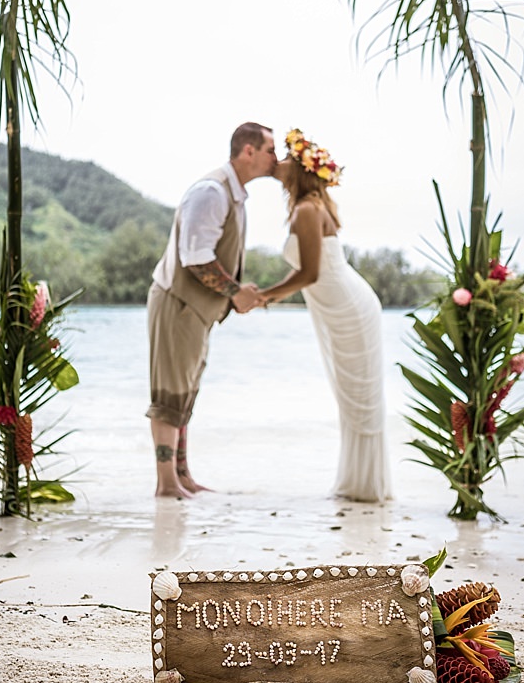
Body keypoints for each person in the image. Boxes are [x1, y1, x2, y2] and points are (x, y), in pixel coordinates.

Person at [259, 128, 391, 503]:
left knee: (360, 397)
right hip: (342, 305)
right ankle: (361, 485)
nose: (279, 164)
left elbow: (309, 274)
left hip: (350, 308)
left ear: (300, 170)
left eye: (285, 158)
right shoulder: (312, 207)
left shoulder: (306, 210)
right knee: (352, 397)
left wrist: (265, 297)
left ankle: (367, 488)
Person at [146, 122, 277, 498]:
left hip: (196, 310)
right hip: (177, 303)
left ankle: (182, 476)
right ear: (248, 151)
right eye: (270, 150)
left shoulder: (233, 194)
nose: (276, 158)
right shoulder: (211, 192)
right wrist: (236, 293)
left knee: (186, 389)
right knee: (169, 393)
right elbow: (195, 258)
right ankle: (166, 484)